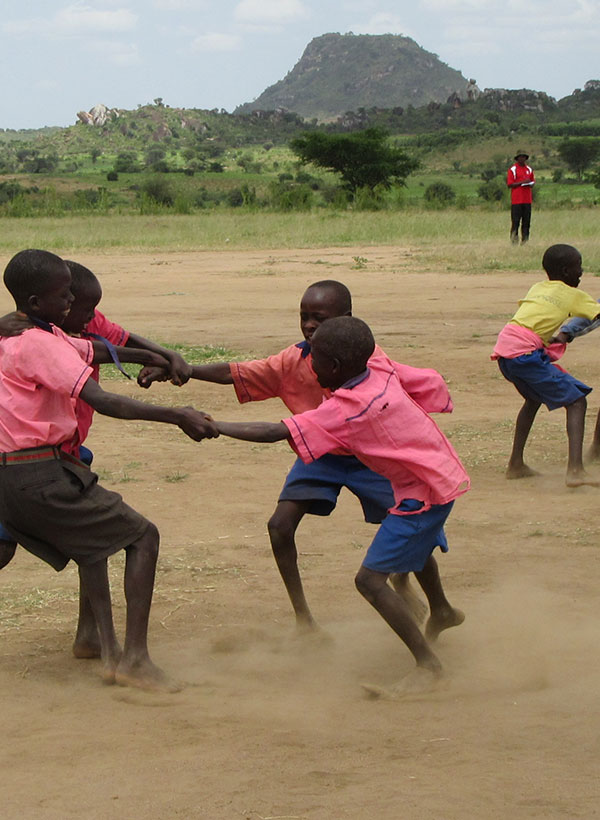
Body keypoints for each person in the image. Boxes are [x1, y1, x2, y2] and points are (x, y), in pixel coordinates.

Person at [139, 280, 454, 633]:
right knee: (279, 526)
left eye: (318, 317)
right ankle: (304, 619)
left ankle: (440, 607)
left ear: (345, 319)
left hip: (372, 456)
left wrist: (216, 425)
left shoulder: (368, 361)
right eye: (303, 316)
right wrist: (185, 371)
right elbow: (241, 372)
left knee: (410, 526)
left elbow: (279, 430)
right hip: (321, 451)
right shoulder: (298, 357)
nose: (308, 325)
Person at [211, 316, 469, 695]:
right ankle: (442, 612)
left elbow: (275, 431)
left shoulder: (347, 409)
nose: (309, 366)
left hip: (423, 497)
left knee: (369, 581)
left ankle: (429, 666)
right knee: (400, 558)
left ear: (332, 367)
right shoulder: (378, 370)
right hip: (436, 480)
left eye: (314, 359)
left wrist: (215, 426)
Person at [0, 249, 218, 690]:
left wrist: (150, 356)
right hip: (37, 474)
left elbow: (97, 347)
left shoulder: (27, 334)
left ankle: (93, 640)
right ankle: (134, 659)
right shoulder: (38, 342)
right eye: (65, 296)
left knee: (92, 542)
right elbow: (103, 401)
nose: (72, 303)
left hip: (17, 476)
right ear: (35, 302)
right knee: (142, 536)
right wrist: (176, 415)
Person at [492, 243, 600, 485]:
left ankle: (516, 464)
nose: (582, 273)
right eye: (578, 268)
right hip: (524, 354)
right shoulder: (573, 295)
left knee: (533, 399)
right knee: (577, 401)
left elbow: (535, 318)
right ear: (565, 272)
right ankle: (575, 471)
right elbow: (596, 314)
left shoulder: (538, 287)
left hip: (505, 351)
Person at [507, 151, 535, 244]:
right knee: (515, 222)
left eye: (524, 157)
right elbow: (510, 184)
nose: (522, 159)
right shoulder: (513, 169)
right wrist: (522, 182)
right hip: (516, 201)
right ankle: (514, 241)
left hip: (527, 200)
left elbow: (532, 181)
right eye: (520, 157)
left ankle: (525, 241)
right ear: (517, 158)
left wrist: (530, 184)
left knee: (526, 222)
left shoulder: (529, 169)